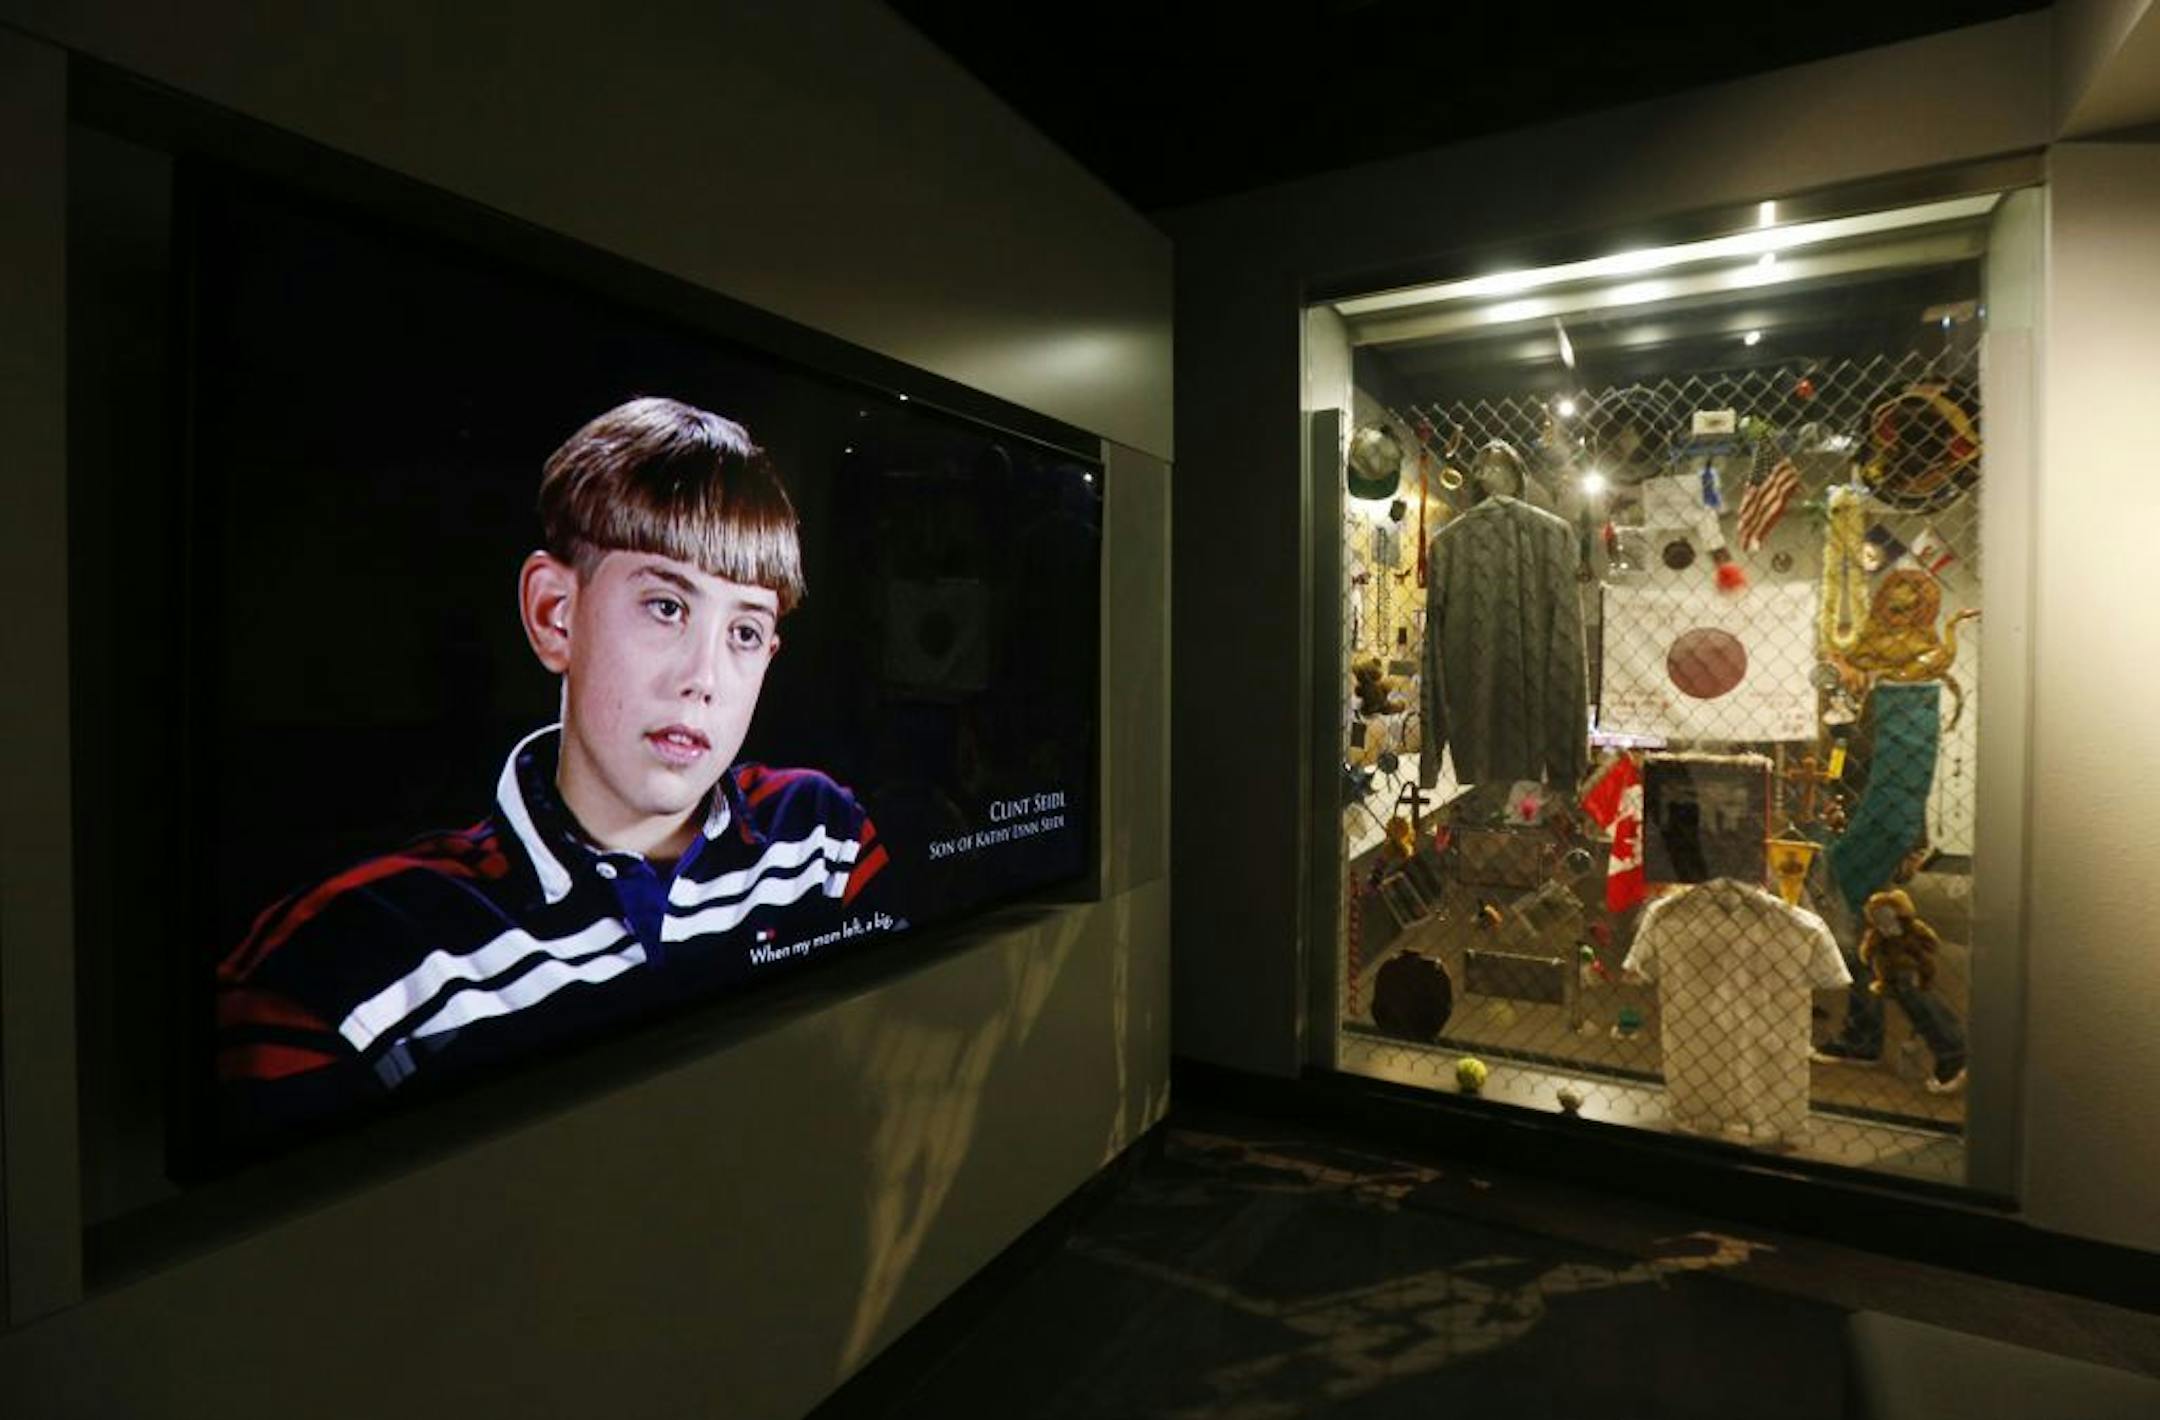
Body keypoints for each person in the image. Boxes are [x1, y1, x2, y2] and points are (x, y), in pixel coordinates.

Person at [216, 397, 892, 1131]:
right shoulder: (339, 963)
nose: (705, 678)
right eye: (667, 606)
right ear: (554, 614)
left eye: (744, 631)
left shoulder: (821, 840)